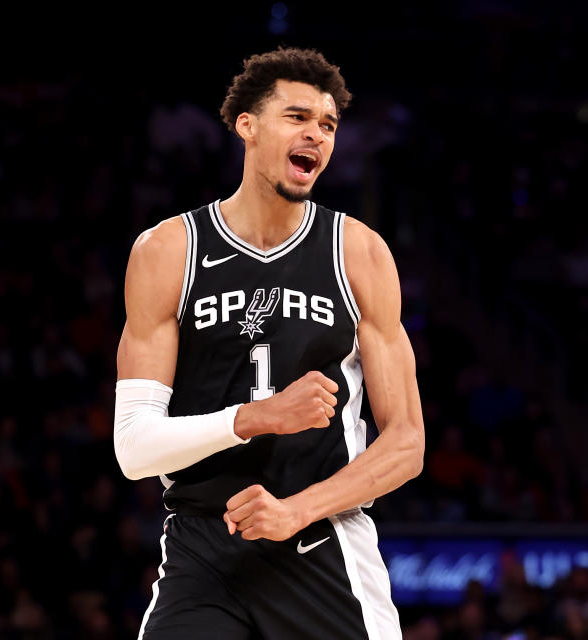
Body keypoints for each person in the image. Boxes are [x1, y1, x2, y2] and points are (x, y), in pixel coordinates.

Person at [113, 47, 425, 639]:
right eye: (298, 117)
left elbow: (406, 444)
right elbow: (134, 449)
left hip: (322, 541)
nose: (316, 134)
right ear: (246, 126)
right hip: (204, 546)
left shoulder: (357, 252)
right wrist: (257, 417)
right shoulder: (167, 251)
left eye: (328, 125)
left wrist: (296, 511)